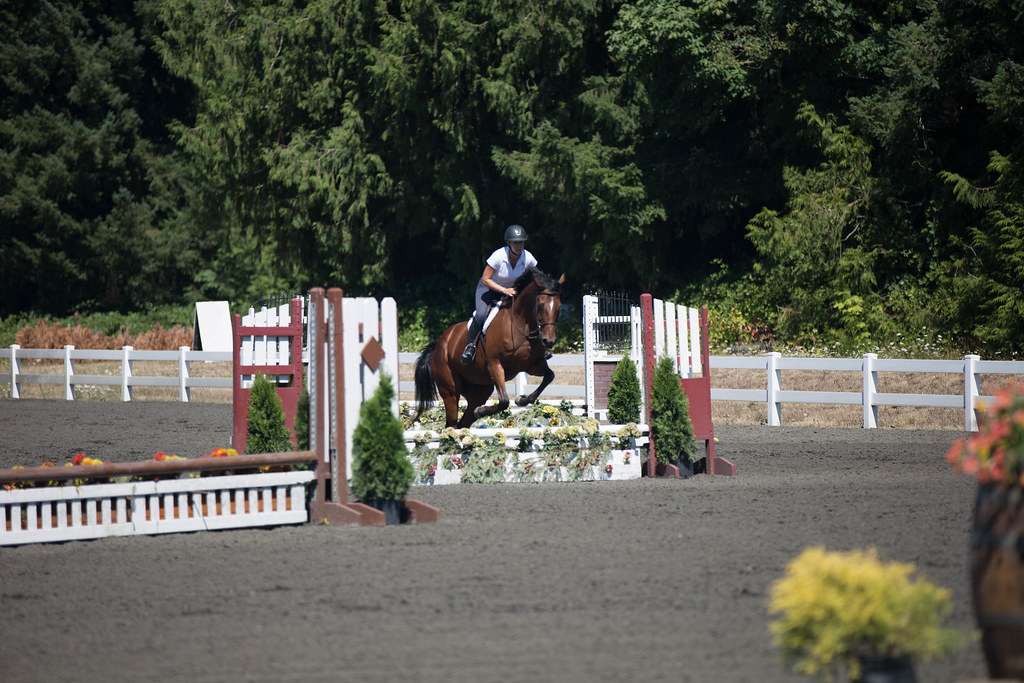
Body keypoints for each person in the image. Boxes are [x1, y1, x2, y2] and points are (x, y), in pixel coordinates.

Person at [461, 224, 538, 364]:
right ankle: (470, 347)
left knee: (532, 311)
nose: (519, 245)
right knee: (481, 314)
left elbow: (535, 279)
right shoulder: (498, 256)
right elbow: (485, 279)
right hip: (489, 289)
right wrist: (504, 291)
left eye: (521, 242)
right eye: (515, 242)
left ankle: (538, 346)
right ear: (509, 242)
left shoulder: (528, 258)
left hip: (513, 291)